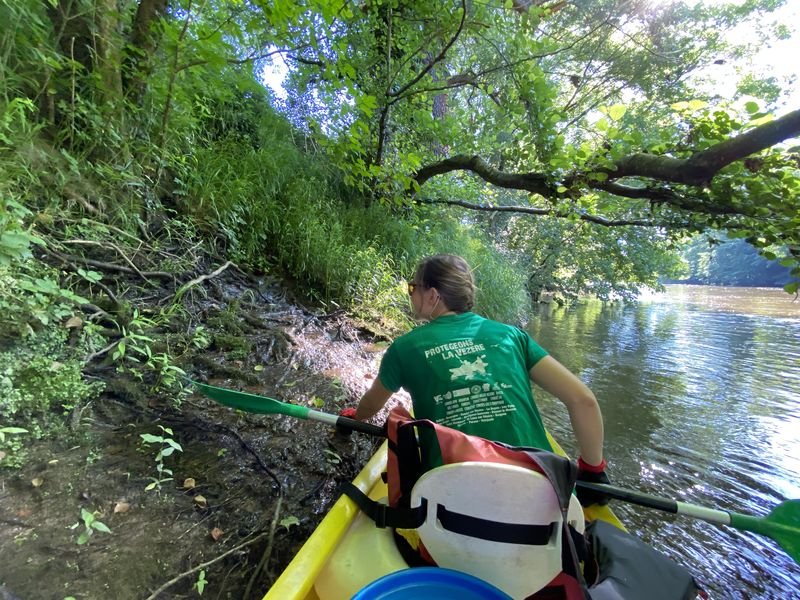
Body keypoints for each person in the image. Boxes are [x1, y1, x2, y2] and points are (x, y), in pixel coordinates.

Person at [344, 254, 609, 504]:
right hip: (543, 498)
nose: (411, 294)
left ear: (433, 295)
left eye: (414, 287)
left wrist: (354, 417)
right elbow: (583, 400)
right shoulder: (512, 337)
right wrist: (593, 471)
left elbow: (370, 407)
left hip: (450, 502)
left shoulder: (405, 348)